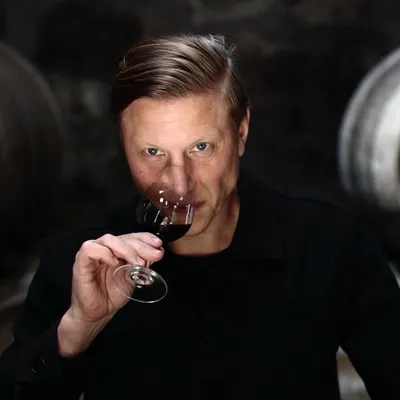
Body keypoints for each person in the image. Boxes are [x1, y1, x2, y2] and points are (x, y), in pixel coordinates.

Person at [1, 33, 400, 400]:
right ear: (123, 144)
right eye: (152, 152)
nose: (178, 184)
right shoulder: (77, 263)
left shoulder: (331, 242)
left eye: (201, 147)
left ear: (241, 132)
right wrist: (74, 332)